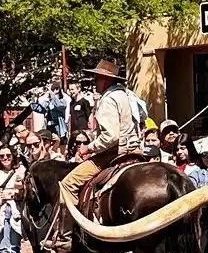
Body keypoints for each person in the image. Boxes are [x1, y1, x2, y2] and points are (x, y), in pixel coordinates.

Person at [55, 58, 146, 233]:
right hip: (136, 151)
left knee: (68, 184)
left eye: (97, 78)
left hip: (114, 153)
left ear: (106, 80)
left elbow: (111, 137)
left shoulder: (108, 99)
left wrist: (89, 148)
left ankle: (66, 234)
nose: (95, 82)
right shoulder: (128, 95)